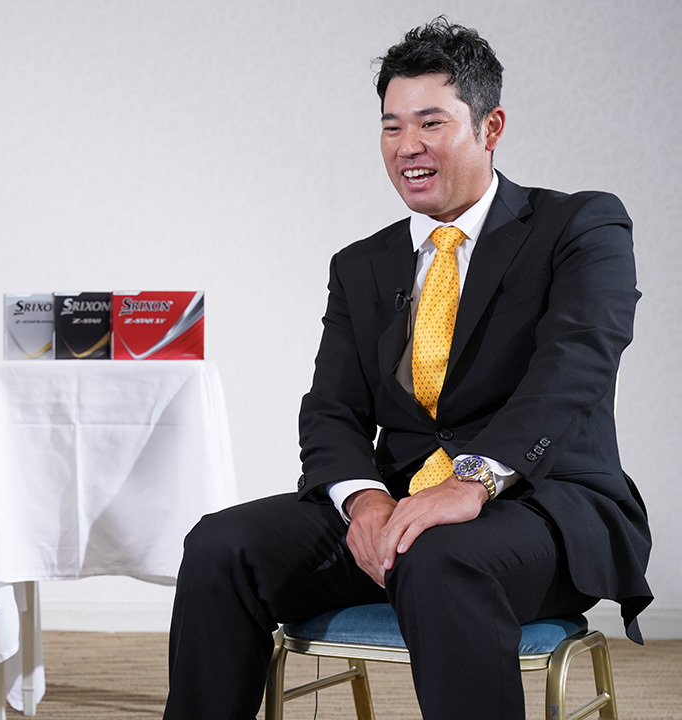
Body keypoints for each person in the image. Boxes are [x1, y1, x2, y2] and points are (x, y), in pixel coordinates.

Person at [163, 17, 651, 720]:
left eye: (431, 123)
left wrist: (472, 481)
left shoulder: (580, 227)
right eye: (391, 127)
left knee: (441, 556)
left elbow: (575, 368)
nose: (407, 146)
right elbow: (331, 408)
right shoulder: (360, 264)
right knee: (220, 545)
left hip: (542, 509)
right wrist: (364, 500)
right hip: (400, 508)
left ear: (490, 127)